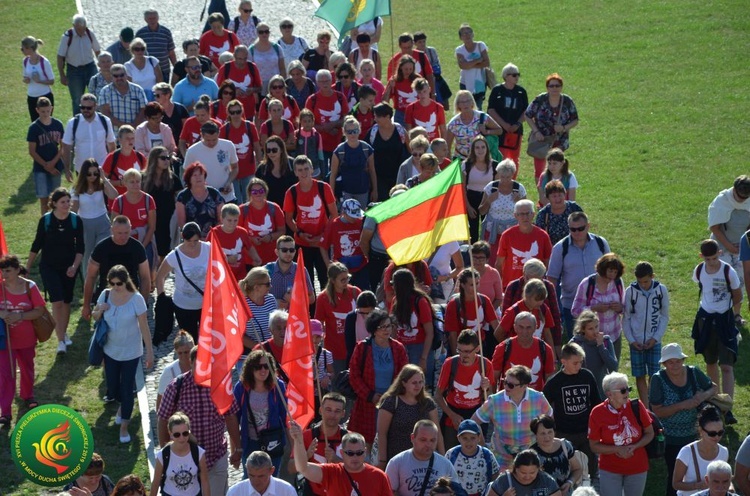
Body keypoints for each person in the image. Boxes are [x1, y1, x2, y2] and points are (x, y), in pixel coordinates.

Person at [158, 346, 241, 496]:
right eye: (199, 364)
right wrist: (166, 453)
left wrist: (238, 448)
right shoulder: (176, 387)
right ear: (191, 363)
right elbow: (163, 419)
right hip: (185, 460)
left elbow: (231, 416)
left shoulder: (222, 386)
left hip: (216, 456)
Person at [91, 265, 153, 443]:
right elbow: (95, 317)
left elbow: (144, 326)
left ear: (126, 281)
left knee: (126, 389)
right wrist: (99, 309)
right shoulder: (106, 294)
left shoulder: (137, 299)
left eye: (118, 283)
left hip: (131, 352)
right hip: (110, 350)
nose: (115, 287)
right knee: (112, 387)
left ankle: (124, 426)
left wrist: (149, 352)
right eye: (112, 283)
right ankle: (121, 408)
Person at [649, 343, 718, 496]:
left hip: (694, 435)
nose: (675, 365)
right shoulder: (657, 379)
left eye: (678, 361)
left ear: (683, 360)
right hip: (671, 438)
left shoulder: (693, 372)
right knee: (676, 477)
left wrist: (702, 396)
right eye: (670, 362)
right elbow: (657, 411)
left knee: (696, 473)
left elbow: (713, 388)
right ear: (664, 364)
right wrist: (682, 405)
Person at [692, 238, 742, 425]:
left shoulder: (729, 271)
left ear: (720, 254)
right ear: (701, 257)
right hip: (705, 319)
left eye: (714, 258)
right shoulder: (698, 271)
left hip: (724, 320)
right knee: (711, 363)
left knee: (727, 366)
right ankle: (716, 403)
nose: (711, 262)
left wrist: (732, 314)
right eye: (707, 259)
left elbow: (738, 295)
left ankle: (727, 408)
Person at [27, 188, 84, 353]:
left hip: (68, 268)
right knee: (57, 301)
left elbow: (80, 247)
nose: (67, 205)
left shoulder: (75, 220)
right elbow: (36, 245)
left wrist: (74, 266)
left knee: (66, 302)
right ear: (54, 204)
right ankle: (60, 341)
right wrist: (28, 267)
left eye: (68, 201)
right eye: (63, 202)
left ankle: (63, 332)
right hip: (49, 267)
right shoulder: (46, 221)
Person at [543, 342, 602, 488]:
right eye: (575, 363)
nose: (579, 366)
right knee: (567, 470)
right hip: (564, 433)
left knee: (591, 469)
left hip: (586, 431)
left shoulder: (587, 376)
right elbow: (543, 406)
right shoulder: (554, 383)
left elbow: (596, 402)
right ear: (564, 362)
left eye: (581, 362)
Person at [347, 309, 408, 447]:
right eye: (382, 327)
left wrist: (393, 395)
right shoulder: (362, 348)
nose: (387, 330)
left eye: (389, 325)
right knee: (365, 442)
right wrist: (370, 395)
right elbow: (354, 375)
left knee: (389, 440)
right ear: (374, 330)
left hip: (392, 402)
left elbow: (404, 375)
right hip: (367, 404)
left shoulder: (398, 348)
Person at [472, 364, 552, 469]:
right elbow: (473, 423)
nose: (505, 387)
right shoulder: (494, 400)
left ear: (524, 386)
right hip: (501, 458)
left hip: (531, 457)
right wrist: (483, 447)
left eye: (511, 385)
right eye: (505, 382)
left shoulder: (538, 398)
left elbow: (550, 423)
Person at [588, 371, 653, 496]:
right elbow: (594, 445)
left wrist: (635, 446)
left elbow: (649, 433)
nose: (627, 393)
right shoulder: (597, 413)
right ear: (609, 394)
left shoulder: (636, 406)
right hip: (610, 469)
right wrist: (617, 449)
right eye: (623, 391)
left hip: (637, 467)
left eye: (628, 389)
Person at [547, 212, 611, 340]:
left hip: (601, 306)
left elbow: (611, 270)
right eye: (573, 229)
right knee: (578, 348)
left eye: (580, 228)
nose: (577, 232)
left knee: (602, 344)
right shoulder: (560, 248)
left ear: (588, 226)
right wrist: (553, 305)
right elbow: (552, 278)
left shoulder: (600, 243)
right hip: (573, 306)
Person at [0, 255, 46, 426]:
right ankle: (5, 410)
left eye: (8, 271)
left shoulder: (29, 286)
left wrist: (19, 315)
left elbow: (40, 311)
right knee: (5, 375)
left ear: (17, 270)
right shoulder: (0, 287)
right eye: (2, 271)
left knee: (26, 368)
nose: (4, 274)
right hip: (4, 340)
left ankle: (27, 395)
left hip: (26, 338)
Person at [291, 421, 392, 494]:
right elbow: (302, 467)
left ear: (365, 452)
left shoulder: (379, 476)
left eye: (359, 452)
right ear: (342, 453)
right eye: (350, 453)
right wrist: (298, 440)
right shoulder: (331, 471)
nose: (355, 457)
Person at [283, 155, 337, 289]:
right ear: (295, 172)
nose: (303, 173)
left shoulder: (323, 187)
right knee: (306, 282)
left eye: (306, 169)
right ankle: (309, 310)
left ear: (312, 170)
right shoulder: (292, 192)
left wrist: (323, 236)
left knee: (326, 278)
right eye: (300, 170)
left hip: (322, 242)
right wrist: (300, 233)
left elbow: (334, 215)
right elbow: (289, 219)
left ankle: (325, 307)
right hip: (302, 242)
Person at [81, 216, 150, 321]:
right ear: (112, 230)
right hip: (106, 298)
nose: (123, 237)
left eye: (126, 233)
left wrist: (143, 304)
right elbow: (90, 277)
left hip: (131, 297)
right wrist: (86, 305)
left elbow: (145, 277)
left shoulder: (137, 247)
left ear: (130, 229)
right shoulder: (101, 248)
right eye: (119, 233)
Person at [233, 349, 289, 477]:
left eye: (266, 366)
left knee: (271, 478)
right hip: (250, 442)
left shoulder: (278, 386)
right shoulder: (241, 387)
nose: (263, 370)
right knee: (250, 478)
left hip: (273, 442)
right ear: (250, 369)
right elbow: (234, 419)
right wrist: (236, 448)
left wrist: (293, 445)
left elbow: (286, 417)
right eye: (258, 367)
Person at [436, 329, 494, 447]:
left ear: (477, 349)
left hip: (476, 413)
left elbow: (491, 399)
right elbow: (437, 395)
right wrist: (452, 415)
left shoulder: (486, 365)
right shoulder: (450, 363)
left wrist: (487, 388)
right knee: (451, 451)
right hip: (453, 413)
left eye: (467, 351)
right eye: (460, 351)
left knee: (477, 451)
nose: (463, 355)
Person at [623, 261, 670, 404]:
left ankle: (653, 403)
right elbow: (626, 318)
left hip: (654, 340)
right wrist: (632, 340)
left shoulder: (661, 290)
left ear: (652, 276)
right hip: (636, 341)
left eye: (646, 281)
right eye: (640, 282)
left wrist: (656, 338)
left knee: (654, 375)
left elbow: (664, 316)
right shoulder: (630, 291)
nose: (643, 284)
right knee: (639, 375)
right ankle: (646, 407)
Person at [155, 222, 209, 342]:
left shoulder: (208, 248)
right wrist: (161, 297)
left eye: (196, 240)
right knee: (190, 341)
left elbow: (221, 265)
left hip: (206, 304)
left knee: (207, 340)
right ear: (182, 237)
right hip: (184, 306)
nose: (192, 244)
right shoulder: (174, 255)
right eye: (188, 241)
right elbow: (160, 276)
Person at [707, 175, 750, 324]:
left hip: (741, 247)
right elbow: (715, 227)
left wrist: (743, 243)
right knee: (722, 281)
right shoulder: (722, 200)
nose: (741, 199)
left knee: (740, 281)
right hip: (721, 246)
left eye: (745, 197)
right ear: (734, 190)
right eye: (739, 196)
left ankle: (736, 314)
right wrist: (729, 246)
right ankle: (720, 314)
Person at [572, 253, 626, 362]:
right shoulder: (587, 284)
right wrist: (594, 308)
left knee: (613, 372)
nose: (612, 275)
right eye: (610, 271)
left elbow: (625, 307)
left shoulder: (618, 283)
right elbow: (575, 311)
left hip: (614, 336)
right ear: (602, 269)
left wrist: (620, 308)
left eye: (615, 272)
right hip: (592, 340)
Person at [525, 72, 579, 180]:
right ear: (547, 87)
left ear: (561, 87)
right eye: (551, 86)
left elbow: (575, 120)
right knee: (540, 171)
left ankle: (556, 192)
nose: (554, 88)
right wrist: (536, 132)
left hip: (559, 140)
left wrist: (563, 128)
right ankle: (542, 195)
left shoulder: (567, 101)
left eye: (557, 85)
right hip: (541, 140)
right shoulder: (540, 99)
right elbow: (527, 115)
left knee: (557, 169)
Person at [384, 420, 458, 496]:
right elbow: (388, 492)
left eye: (432, 440)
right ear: (412, 438)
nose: (428, 444)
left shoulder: (446, 464)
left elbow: (457, 492)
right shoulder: (396, 462)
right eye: (423, 440)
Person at [71, 158, 118, 278]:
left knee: (103, 251)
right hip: (85, 224)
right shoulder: (76, 189)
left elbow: (114, 195)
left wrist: (104, 178)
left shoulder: (101, 185)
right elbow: (74, 211)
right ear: (83, 174)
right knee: (88, 255)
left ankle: (103, 280)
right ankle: (89, 284)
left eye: (95, 173)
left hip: (102, 222)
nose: (92, 176)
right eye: (89, 174)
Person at [502, 258, 562, 347]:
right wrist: (509, 347)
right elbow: (504, 322)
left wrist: (557, 346)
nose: (535, 283)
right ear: (524, 275)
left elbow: (555, 317)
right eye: (531, 279)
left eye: (539, 279)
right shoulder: (513, 287)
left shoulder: (548, 287)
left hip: (541, 344)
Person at [314, 262, 361, 374]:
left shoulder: (355, 292)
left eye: (347, 278)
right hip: (335, 352)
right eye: (342, 280)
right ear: (333, 280)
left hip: (356, 349)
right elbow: (318, 324)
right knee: (338, 385)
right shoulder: (323, 298)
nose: (346, 282)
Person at [391, 268, 437, 382]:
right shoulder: (395, 300)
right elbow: (393, 327)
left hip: (420, 348)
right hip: (402, 348)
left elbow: (429, 333)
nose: (392, 287)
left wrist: (424, 358)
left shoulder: (420, 301)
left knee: (420, 385)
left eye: (394, 284)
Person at [495, 199, 552, 289]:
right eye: (521, 214)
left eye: (528, 213)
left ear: (533, 214)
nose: (525, 217)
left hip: (536, 286)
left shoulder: (543, 236)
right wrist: (500, 287)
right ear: (515, 216)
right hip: (512, 286)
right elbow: (499, 264)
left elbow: (548, 263)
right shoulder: (507, 235)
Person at [492, 311, 555, 391]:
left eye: (528, 327)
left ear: (535, 328)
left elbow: (549, 381)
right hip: (508, 400)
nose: (524, 332)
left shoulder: (545, 349)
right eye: (521, 327)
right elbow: (493, 378)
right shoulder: (503, 348)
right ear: (515, 327)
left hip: (534, 400)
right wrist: (493, 401)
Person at [478, 159, 526, 266]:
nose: (505, 180)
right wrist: (489, 201)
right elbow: (481, 211)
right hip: (492, 232)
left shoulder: (519, 189)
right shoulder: (491, 187)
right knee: (491, 261)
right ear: (498, 174)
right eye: (502, 177)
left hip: (512, 232)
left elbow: (527, 212)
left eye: (508, 177)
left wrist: (519, 201)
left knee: (509, 261)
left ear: (513, 175)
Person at [150, 412, 210, 496]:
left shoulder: (198, 453)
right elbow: (156, 482)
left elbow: (205, 482)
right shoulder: (163, 455)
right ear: (170, 434)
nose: (181, 438)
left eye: (185, 433)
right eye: (177, 434)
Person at [673, 405, 728, 496]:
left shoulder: (723, 452)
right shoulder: (686, 452)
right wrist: (698, 485)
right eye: (712, 433)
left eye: (720, 432)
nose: (717, 437)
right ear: (701, 431)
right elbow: (676, 484)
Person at [443, 269, 499, 356]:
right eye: (472, 285)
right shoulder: (454, 304)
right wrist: (456, 355)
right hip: (461, 349)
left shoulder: (484, 300)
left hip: (480, 347)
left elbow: (496, 325)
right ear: (463, 285)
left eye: (477, 283)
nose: (476, 287)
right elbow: (452, 334)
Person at [305, 70, 349, 178]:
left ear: (331, 81)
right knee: (323, 175)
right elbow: (306, 124)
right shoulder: (312, 100)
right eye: (321, 81)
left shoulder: (340, 97)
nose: (324, 84)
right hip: (319, 146)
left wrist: (333, 124)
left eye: (327, 81)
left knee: (338, 175)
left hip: (338, 143)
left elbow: (347, 118)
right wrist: (325, 129)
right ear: (317, 83)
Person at [110, 169, 157, 270]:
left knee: (146, 272)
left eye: (138, 181)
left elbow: (152, 227)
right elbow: (114, 226)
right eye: (132, 182)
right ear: (125, 183)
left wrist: (142, 246)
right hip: (124, 241)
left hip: (144, 240)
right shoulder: (119, 201)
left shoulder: (148, 200)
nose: (135, 184)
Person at [142, 147, 181, 267]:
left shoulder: (172, 178)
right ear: (154, 159)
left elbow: (180, 197)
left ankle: (160, 278)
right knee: (150, 249)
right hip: (148, 218)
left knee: (164, 250)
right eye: (163, 158)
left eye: (168, 158)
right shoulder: (143, 178)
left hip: (167, 219)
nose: (166, 161)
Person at [61, 93, 116, 176]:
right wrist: (67, 169)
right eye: (82, 107)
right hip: (81, 169)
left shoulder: (105, 121)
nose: (85, 110)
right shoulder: (73, 123)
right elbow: (66, 147)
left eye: (89, 108)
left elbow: (111, 145)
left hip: (101, 169)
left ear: (95, 106)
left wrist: (111, 167)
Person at [183, 121, 239, 203]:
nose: (211, 143)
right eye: (208, 140)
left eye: (214, 139)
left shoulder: (228, 145)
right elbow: (186, 174)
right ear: (201, 135)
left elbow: (235, 167)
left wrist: (229, 182)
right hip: (204, 199)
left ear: (218, 134)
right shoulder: (192, 151)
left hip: (226, 197)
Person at [57, 14, 100, 115]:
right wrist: (62, 74)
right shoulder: (67, 37)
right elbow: (60, 56)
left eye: (83, 28)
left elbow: (97, 51)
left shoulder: (90, 34)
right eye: (79, 29)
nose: (82, 31)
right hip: (74, 71)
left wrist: (101, 66)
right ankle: (77, 122)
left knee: (95, 95)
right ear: (73, 25)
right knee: (77, 99)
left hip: (90, 67)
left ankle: (96, 118)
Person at [27, 97, 64, 215]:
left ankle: (56, 220)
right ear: (37, 110)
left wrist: (53, 163)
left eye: (48, 111)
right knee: (43, 199)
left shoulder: (58, 124)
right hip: (40, 168)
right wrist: (46, 165)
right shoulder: (34, 128)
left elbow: (63, 147)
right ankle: (45, 223)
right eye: (43, 111)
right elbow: (32, 151)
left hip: (56, 165)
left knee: (56, 198)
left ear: (51, 109)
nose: (46, 114)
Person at [530, 414, 584, 495]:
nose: (547, 436)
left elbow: (577, 469)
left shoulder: (565, 446)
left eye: (550, 432)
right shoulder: (532, 453)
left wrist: (570, 482)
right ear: (535, 435)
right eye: (542, 433)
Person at [487, 62, 528, 169]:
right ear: (506, 76)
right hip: (499, 130)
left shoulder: (521, 91)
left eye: (518, 74)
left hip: (516, 130)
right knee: (500, 156)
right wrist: (504, 125)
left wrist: (518, 123)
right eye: (514, 75)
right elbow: (491, 110)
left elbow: (526, 111)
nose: (517, 77)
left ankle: (512, 181)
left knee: (514, 158)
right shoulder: (497, 90)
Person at [500, 278, 556, 355]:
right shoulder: (514, 310)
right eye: (537, 299)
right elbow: (498, 333)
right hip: (518, 354)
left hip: (537, 353)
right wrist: (510, 348)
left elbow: (548, 335)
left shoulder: (544, 309)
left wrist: (553, 358)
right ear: (527, 296)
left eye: (542, 299)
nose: (540, 302)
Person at [329, 116, 377, 206]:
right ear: (344, 132)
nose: (352, 134)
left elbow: (372, 171)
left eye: (355, 131)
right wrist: (331, 194)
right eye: (349, 132)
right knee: (347, 217)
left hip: (363, 191)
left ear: (359, 130)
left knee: (361, 217)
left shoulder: (367, 149)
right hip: (345, 191)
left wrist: (375, 190)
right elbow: (333, 174)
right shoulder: (339, 151)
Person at [444, 419, 498, 496]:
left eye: (472, 438)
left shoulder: (487, 454)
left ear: (479, 437)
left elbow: (495, 474)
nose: (468, 442)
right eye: (465, 438)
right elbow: (444, 475)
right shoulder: (451, 454)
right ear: (458, 438)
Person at [322, 198, 368, 290]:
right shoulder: (334, 224)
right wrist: (328, 265)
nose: (355, 218)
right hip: (341, 270)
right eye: (352, 216)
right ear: (344, 213)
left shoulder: (361, 222)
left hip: (361, 266)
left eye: (356, 215)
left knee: (363, 293)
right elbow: (323, 246)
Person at [570, 311, 618, 398]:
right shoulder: (575, 343)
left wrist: (601, 347)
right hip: (582, 391)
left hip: (601, 391)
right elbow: (567, 368)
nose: (595, 331)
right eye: (590, 329)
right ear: (582, 329)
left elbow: (613, 367)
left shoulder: (606, 341)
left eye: (596, 327)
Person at [367, 102, 408, 201]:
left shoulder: (400, 130)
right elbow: (366, 153)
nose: (375, 119)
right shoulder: (373, 132)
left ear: (387, 116)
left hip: (398, 176)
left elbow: (410, 150)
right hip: (378, 178)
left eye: (378, 117)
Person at [446, 90, 501, 159]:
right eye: (462, 102)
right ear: (458, 105)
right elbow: (447, 146)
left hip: (480, 160)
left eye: (468, 101)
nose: (465, 104)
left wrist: (486, 132)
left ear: (472, 102)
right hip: (461, 159)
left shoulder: (482, 117)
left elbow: (499, 130)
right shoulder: (453, 123)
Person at [208, 204, 258, 281]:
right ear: (222, 218)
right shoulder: (214, 233)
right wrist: (227, 259)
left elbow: (249, 247)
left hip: (240, 275)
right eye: (229, 220)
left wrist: (256, 258)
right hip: (221, 276)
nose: (232, 223)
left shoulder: (242, 232)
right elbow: (207, 254)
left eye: (235, 220)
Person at [263, 236, 314, 311]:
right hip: (271, 318)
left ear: (295, 252)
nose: (288, 253)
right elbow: (255, 295)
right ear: (277, 252)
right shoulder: (267, 270)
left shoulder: (301, 270)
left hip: (293, 317)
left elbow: (312, 298)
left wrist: (295, 299)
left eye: (291, 250)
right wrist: (274, 302)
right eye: (284, 250)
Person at [176, 162, 224, 239]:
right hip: (191, 239)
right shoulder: (183, 196)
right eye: (195, 175)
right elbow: (182, 224)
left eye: (200, 174)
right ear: (189, 179)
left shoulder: (214, 193)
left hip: (214, 237)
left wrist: (210, 237)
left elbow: (221, 219)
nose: (198, 177)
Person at [463, 135, 497, 242]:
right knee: (472, 232)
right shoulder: (466, 165)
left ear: (487, 149)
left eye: (483, 147)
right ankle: (472, 256)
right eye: (477, 147)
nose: (480, 150)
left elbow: (496, 187)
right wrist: (468, 206)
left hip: (487, 198)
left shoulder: (494, 165)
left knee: (487, 230)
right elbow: (462, 188)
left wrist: (489, 203)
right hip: (471, 198)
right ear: (473, 150)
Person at [486, 449, 562, 496]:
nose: (527, 477)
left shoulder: (546, 480)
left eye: (532, 473)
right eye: (523, 473)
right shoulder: (504, 480)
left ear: (539, 469)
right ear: (515, 469)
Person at [239, 268, 278, 355]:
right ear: (256, 287)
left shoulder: (271, 299)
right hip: (250, 353)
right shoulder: (242, 304)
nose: (271, 286)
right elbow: (239, 335)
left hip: (272, 351)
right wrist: (260, 348)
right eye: (267, 284)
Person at [99, 64, 148, 129]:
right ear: (111, 77)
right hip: (114, 133)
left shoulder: (138, 90)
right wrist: (126, 127)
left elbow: (143, 110)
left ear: (126, 75)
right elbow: (105, 113)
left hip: (136, 131)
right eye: (116, 76)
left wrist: (133, 126)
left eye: (122, 75)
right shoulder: (105, 91)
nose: (119, 78)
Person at [535, 180, 583, 246]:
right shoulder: (543, 214)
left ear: (564, 194)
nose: (558, 199)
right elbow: (539, 237)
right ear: (548, 198)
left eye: (560, 195)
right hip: (552, 250)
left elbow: (584, 227)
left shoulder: (574, 208)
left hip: (575, 247)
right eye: (554, 196)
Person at [227, 451, 296, 496]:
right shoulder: (235, 492)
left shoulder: (287, 491)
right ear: (246, 469)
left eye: (261, 476)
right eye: (251, 475)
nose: (256, 481)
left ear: (272, 471)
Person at [156, 331, 194, 411]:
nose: (184, 356)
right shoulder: (169, 371)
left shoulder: (201, 367)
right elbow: (161, 398)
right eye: (180, 353)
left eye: (186, 352)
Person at [135, 9, 176, 83]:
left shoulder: (166, 32)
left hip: (164, 69)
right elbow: (135, 52)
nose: (152, 21)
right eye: (150, 19)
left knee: (164, 92)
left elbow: (171, 52)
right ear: (145, 19)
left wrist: (176, 67)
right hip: (147, 70)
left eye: (154, 18)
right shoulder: (140, 33)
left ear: (158, 18)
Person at [455, 24, 489, 110]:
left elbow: (486, 63)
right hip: (465, 83)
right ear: (460, 37)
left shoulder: (481, 45)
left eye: (469, 32)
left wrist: (469, 64)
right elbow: (463, 66)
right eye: (464, 33)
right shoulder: (459, 50)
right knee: (465, 107)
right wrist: (477, 60)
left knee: (478, 107)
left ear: (473, 34)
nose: (467, 35)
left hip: (480, 82)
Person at [255, 136, 296, 207]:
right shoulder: (262, 169)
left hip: (291, 207)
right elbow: (256, 190)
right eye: (268, 150)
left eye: (274, 150)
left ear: (281, 150)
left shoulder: (292, 165)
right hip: (270, 209)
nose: (271, 153)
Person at [21, 36, 55, 121]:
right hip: (31, 96)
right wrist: (26, 80)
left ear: (30, 48)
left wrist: (39, 81)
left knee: (46, 121)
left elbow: (52, 81)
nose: (22, 50)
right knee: (35, 123)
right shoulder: (25, 61)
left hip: (45, 95)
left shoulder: (44, 62)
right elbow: (25, 77)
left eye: (23, 48)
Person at [249, 24, 286, 96]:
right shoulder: (251, 50)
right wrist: (254, 91)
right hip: (259, 87)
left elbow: (282, 68)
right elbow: (249, 72)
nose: (264, 34)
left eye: (266, 31)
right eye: (261, 32)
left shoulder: (277, 48)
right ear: (257, 33)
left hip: (276, 86)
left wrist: (283, 85)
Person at [153, 83, 189, 147]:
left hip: (180, 145)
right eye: (154, 95)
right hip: (162, 145)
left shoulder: (180, 109)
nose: (155, 98)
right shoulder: (155, 111)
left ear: (167, 95)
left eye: (158, 95)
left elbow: (187, 128)